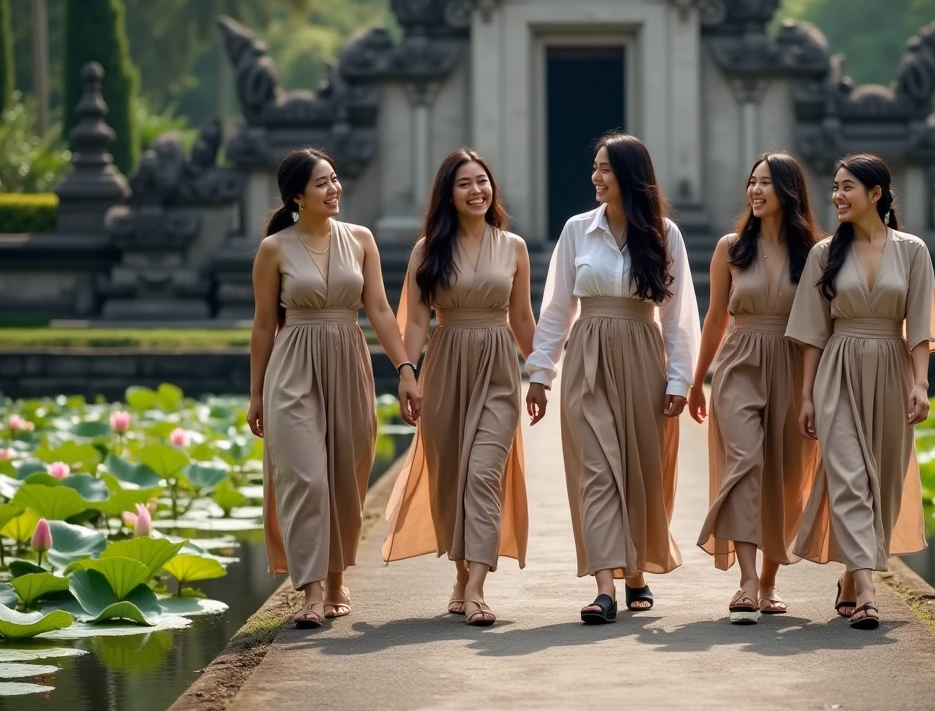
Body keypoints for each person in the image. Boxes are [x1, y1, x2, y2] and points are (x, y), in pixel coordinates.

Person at [526, 132, 700, 624]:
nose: (595, 177)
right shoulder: (577, 230)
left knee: (639, 470)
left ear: (629, 176)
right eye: (595, 167)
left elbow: (680, 314)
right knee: (596, 470)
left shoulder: (665, 234)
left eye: (605, 168)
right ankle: (605, 585)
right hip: (588, 358)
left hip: (644, 359)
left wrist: (678, 381)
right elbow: (557, 307)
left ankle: (636, 573)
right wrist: (541, 372)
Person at [248, 148, 420, 629]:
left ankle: (338, 579)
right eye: (322, 183)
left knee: (347, 476)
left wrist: (406, 369)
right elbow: (264, 325)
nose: (334, 189)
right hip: (292, 366)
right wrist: (256, 393)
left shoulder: (361, 240)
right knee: (305, 477)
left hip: (349, 361)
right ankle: (310, 592)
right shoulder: (274, 249)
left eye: (335, 179)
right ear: (297, 195)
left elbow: (381, 311)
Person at [786, 153, 935, 630]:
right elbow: (812, 334)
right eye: (834, 187)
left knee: (884, 482)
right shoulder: (824, 254)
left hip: (894, 372)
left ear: (875, 194)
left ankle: (849, 576)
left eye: (847, 187)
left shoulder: (913, 250)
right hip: (838, 369)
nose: (836, 195)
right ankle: (870, 595)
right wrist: (807, 396)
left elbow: (919, 325)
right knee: (849, 477)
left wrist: (920, 384)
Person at [381, 148, 535, 627]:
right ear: (448, 193)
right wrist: (407, 372)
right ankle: (460, 572)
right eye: (465, 183)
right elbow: (415, 322)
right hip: (445, 368)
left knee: (485, 474)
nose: (477, 191)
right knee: (451, 479)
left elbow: (523, 319)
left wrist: (547, 373)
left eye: (483, 181)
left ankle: (476, 590)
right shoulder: (428, 250)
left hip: (498, 370)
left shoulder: (513, 247)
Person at [688, 152, 823, 624]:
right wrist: (696, 380)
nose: (756, 190)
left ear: (789, 191)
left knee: (784, 477)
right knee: (744, 464)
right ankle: (746, 582)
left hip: (791, 364)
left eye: (766, 182)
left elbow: (820, 326)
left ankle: (768, 583)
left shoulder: (815, 253)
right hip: (738, 363)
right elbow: (714, 317)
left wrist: (813, 391)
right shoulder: (730, 247)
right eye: (751, 182)